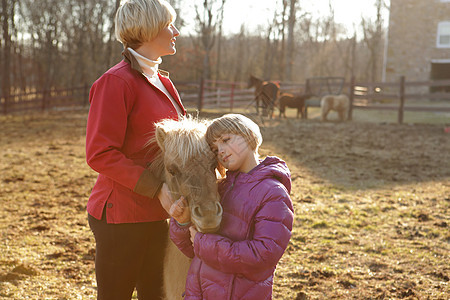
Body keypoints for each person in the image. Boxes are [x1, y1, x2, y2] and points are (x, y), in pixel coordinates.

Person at [85, 0, 183, 299]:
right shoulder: (116, 82)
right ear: (149, 30)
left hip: (160, 211)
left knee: (156, 294)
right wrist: (156, 189)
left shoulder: (162, 81)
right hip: (122, 216)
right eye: (169, 25)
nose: (175, 31)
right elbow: (100, 152)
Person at [169, 114, 294, 299]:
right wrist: (181, 223)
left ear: (249, 136)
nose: (220, 151)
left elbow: (262, 256)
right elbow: (194, 251)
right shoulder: (220, 189)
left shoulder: (273, 194)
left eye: (226, 140)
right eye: (215, 149)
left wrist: (203, 242)